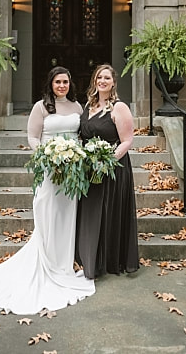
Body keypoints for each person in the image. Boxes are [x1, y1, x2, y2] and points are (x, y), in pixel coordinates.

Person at [0, 66, 95, 314]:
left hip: (72, 171)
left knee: (67, 215)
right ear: (50, 84)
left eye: (66, 82)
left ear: (70, 84)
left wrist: (78, 156)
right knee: (47, 213)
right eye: (58, 82)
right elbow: (33, 137)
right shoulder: (41, 107)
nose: (62, 86)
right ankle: (48, 264)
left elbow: (80, 137)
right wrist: (47, 156)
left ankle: (63, 266)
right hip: (50, 171)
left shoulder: (78, 107)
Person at [75, 64, 139, 278]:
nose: (102, 81)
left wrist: (107, 161)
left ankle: (109, 260)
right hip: (89, 169)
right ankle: (89, 259)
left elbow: (127, 140)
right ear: (95, 81)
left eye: (107, 78)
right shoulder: (89, 105)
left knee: (108, 212)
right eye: (99, 77)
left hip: (113, 169)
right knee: (91, 214)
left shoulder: (119, 108)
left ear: (113, 82)